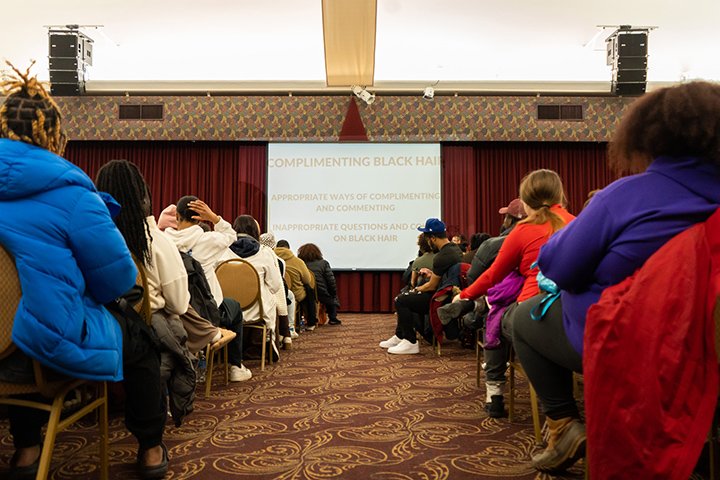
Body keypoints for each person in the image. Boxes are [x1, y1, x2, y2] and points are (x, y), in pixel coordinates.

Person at [511, 81, 720, 474]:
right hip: (710, 348)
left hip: (640, 349)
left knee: (523, 318)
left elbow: (560, 267)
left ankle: (563, 426)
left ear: (650, 136)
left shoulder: (626, 196)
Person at [0, 64, 166, 479]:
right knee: (142, 339)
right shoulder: (73, 195)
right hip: (36, 357)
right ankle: (150, 448)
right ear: (54, 137)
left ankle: (26, 449)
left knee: (19, 318)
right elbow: (117, 281)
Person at [452, 170, 574, 418]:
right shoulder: (577, 222)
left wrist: (464, 296)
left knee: (494, 316)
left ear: (526, 200)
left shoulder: (524, 230)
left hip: (531, 310)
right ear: (559, 194)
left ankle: (494, 391)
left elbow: (492, 276)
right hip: (572, 315)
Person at [164, 196, 251, 382]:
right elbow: (231, 236)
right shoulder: (209, 240)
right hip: (206, 313)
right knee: (234, 308)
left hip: (173, 310)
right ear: (199, 218)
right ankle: (235, 366)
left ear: (177, 215)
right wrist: (214, 218)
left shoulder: (165, 240)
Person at [380, 218, 463, 355]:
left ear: (433, 238)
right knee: (405, 298)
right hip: (447, 293)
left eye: (427, 237)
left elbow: (431, 286)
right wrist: (432, 274)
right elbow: (444, 276)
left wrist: (417, 289)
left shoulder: (441, 256)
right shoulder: (455, 250)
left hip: (440, 298)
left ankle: (410, 341)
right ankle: (400, 336)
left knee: (401, 300)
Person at [274, 240, 318, 331]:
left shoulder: (271, 259)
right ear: (289, 248)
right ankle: (311, 322)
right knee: (309, 290)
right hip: (296, 294)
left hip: (275, 293)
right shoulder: (298, 262)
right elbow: (307, 280)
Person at [297, 243, 342, 325]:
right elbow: (331, 281)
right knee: (332, 296)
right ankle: (333, 318)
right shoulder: (324, 263)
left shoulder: (299, 263)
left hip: (304, 292)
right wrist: (333, 293)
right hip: (321, 293)